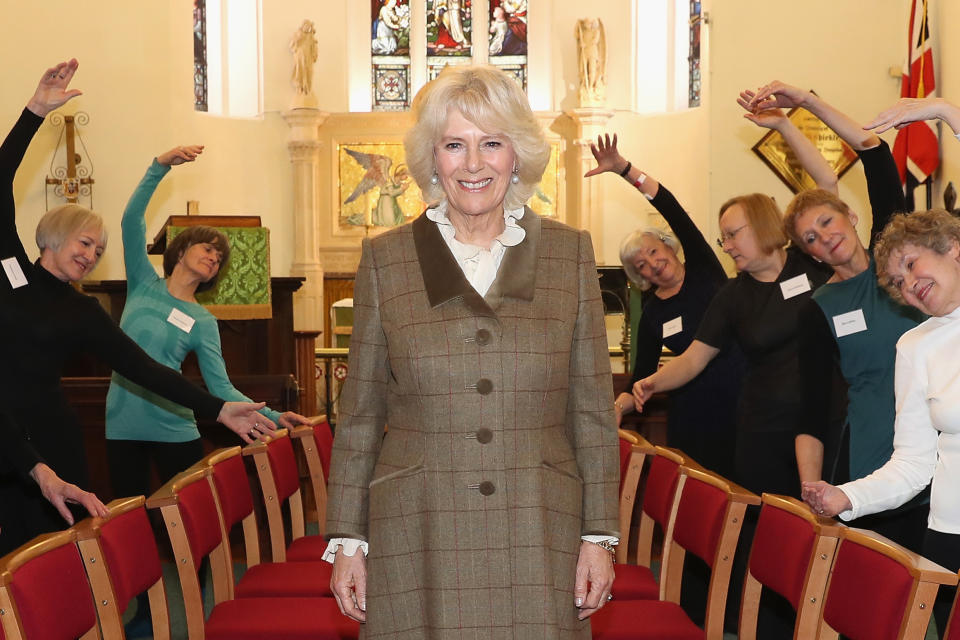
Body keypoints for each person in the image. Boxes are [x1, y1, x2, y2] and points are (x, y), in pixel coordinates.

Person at [323, 64, 619, 638]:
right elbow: (359, 413)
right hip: (418, 524)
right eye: (454, 145)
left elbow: (592, 413)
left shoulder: (569, 254)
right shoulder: (387, 260)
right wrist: (347, 539)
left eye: (492, 143)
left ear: (519, 155)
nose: (474, 163)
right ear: (432, 159)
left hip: (539, 523)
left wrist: (599, 535)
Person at [0, 59, 274, 555]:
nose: (90, 256)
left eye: (98, 252)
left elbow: (143, 369)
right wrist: (35, 111)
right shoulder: (10, 271)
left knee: (56, 563)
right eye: (85, 243)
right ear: (55, 236)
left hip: (52, 442)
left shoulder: (83, 313)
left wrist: (219, 408)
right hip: (4, 437)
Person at [747, 81, 929, 552]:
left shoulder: (898, 262)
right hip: (875, 458)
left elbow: (872, 151)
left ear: (849, 215)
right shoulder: (819, 308)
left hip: (941, 439)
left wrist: (803, 106)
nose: (823, 238)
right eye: (809, 238)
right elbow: (811, 408)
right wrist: (812, 490)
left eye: (827, 222)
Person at [105, 144, 310, 516]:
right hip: (122, 423)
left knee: (188, 524)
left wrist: (278, 417)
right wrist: (159, 166)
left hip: (174, 428)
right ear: (179, 250)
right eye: (207, 248)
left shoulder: (202, 321)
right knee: (124, 528)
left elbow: (221, 389)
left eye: (219, 259)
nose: (214, 258)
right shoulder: (142, 282)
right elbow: (130, 220)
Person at [803, 207, 960, 634]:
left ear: (951, 247)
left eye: (911, 265)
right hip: (952, 533)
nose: (909, 284)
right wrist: (847, 497)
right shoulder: (914, 346)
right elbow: (912, 463)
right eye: (897, 282)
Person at [587, 133, 742, 481]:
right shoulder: (653, 315)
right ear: (638, 276)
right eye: (641, 264)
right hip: (693, 412)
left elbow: (668, 204)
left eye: (654, 251)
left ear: (670, 247)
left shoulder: (704, 269)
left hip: (741, 396)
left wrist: (624, 169)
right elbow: (641, 379)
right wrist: (616, 409)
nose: (653, 264)